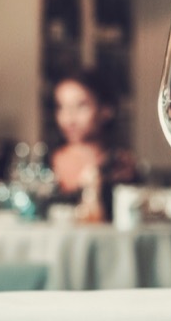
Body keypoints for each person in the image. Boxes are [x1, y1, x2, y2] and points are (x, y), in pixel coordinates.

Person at [49, 69, 136, 220]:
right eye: (61, 107)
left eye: (81, 106)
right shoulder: (45, 164)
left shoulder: (121, 166)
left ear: (106, 110)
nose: (69, 118)